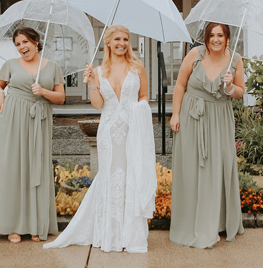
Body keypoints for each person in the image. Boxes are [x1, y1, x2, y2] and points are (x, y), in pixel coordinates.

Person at [44, 25, 155, 253]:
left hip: (132, 129)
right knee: (111, 176)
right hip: (109, 130)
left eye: (126, 39)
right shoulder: (97, 70)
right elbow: (97, 104)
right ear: (108, 43)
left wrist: (139, 108)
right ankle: (111, 234)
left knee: (131, 175)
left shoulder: (137, 66)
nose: (122, 43)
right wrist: (91, 82)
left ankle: (130, 235)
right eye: (117, 39)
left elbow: (144, 95)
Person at [0, 27, 65, 243]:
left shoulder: (53, 66)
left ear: (36, 42)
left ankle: (35, 225)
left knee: (36, 169)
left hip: (38, 121)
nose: (22, 47)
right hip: (10, 119)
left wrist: (43, 92)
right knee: (12, 171)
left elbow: (61, 97)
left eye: (25, 42)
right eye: (17, 44)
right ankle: (12, 226)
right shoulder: (10, 65)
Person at [169, 22, 245, 248]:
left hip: (220, 118)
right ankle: (191, 221)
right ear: (206, 38)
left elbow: (240, 92)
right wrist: (175, 114)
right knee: (192, 169)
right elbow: (180, 85)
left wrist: (230, 87)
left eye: (220, 35)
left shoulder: (236, 60)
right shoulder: (194, 54)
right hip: (192, 116)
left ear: (227, 37)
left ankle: (215, 223)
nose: (215, 39)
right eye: (211, 35)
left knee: (217, 168)